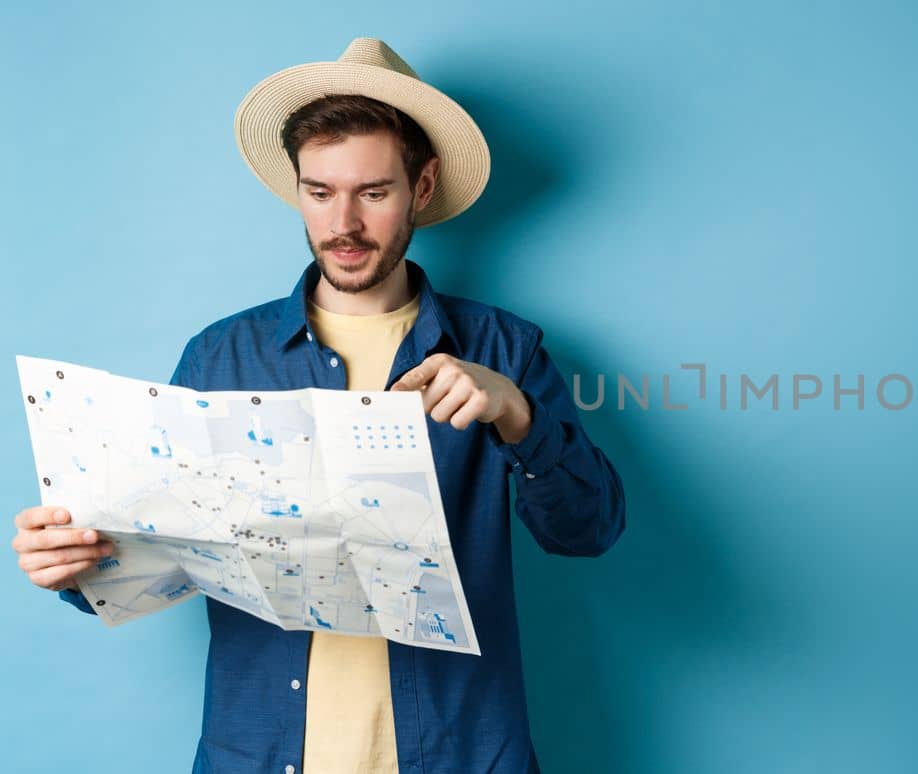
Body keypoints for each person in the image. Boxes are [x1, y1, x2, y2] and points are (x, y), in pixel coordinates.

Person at [9, 37, 625, 773]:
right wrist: (73, 566)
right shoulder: (221, 358)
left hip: (460, 752)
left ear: (422, 187)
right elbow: (154, 554)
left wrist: (516, 415)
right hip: (262, 753)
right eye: (320, 191)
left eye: (373, 192)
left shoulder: (504, 348)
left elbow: (588, 531)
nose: (344, 225)